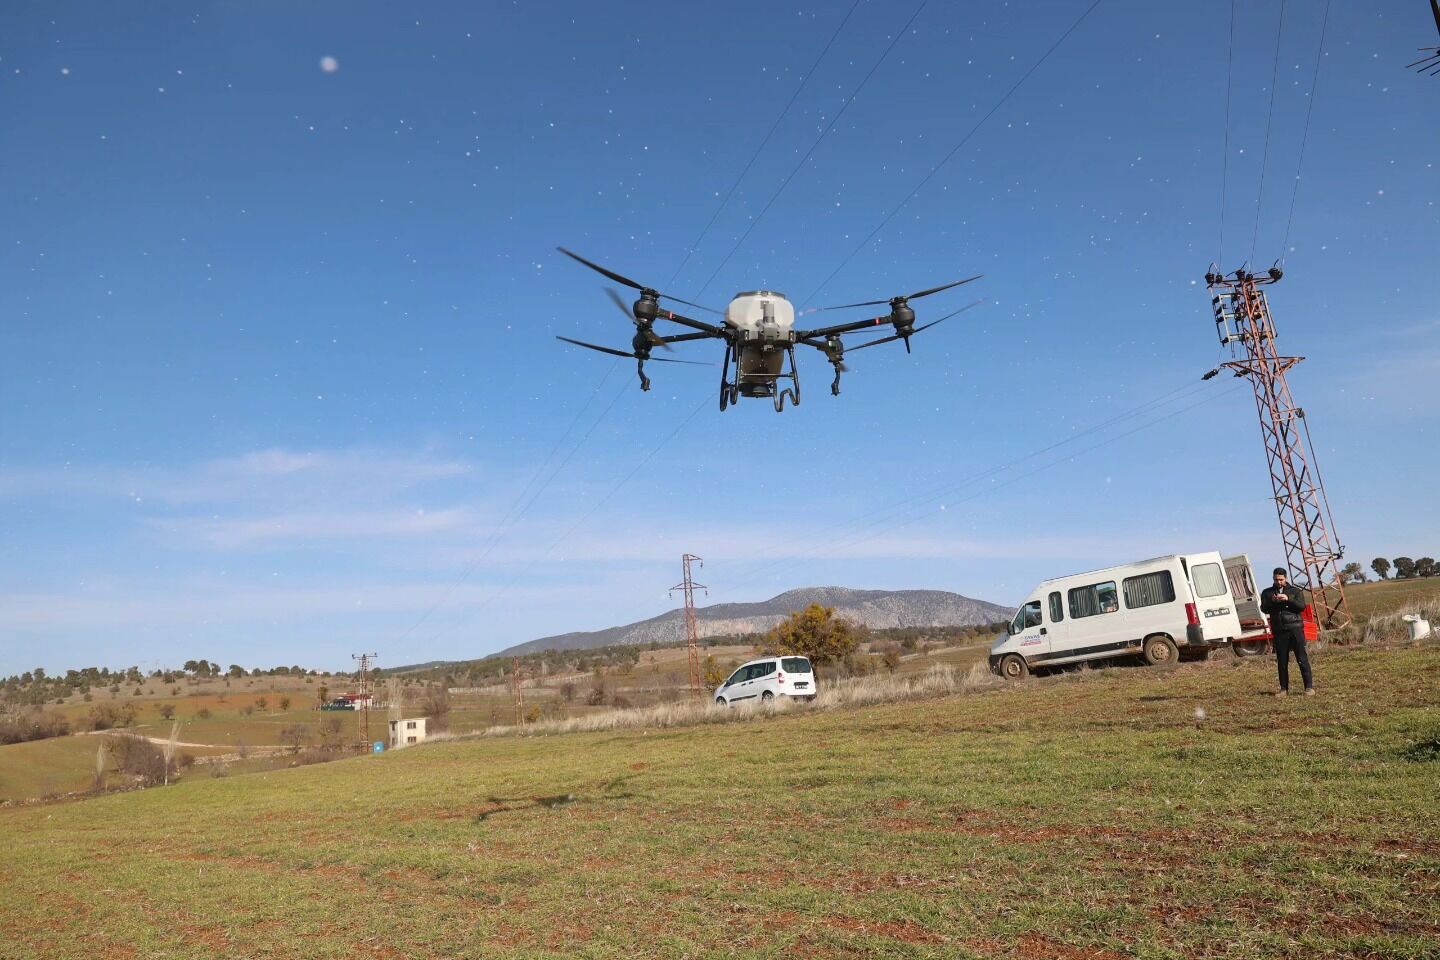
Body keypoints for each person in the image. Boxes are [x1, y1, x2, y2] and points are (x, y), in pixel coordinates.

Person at [1260, 567, 1314, 696]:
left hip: (1295, 629)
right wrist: (1273, 600)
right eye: (1276, 579)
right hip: (1279, 630)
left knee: (1302, 658)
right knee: (1282, 661)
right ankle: (1283, 689)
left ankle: (1309, 687)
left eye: (1281, 579)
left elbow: (1301, 607)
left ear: (1286, 578)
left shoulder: (1295, 591)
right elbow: (1264, 609)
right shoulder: (1267, 592)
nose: (1278, 582)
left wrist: (1288, 598)